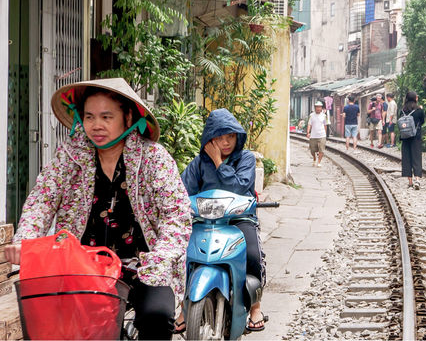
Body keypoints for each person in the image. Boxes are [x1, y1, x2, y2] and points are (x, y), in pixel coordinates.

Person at [5, 78, 191, 340]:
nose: (97, 125)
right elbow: (41, 202)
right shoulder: (69, 158)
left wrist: (160, 259)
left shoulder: (154, 158)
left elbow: (177, 215)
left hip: (145, 268)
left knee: (156, 318)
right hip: (82, 267)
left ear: (128, 118)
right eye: (90, 117)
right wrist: (25, 242)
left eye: (107, 116)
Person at [180, 108, 267, 332]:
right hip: (205, 222)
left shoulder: (245, 158)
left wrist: (219, 162)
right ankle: (183, 306)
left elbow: (239, 186)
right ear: (210, 138)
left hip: (238, 219)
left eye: (230, 136)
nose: (226, 142)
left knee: (252, 255)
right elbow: (180, 191)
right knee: (181, 253)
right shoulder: (199, 163)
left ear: (238, 136)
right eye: (219, 137)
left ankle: (255, 306)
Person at [400, 91, 425, 188]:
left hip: (405, 137)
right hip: (416, 137)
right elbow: (422, 122)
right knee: (416, 158)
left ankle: (410, 181)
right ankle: (417, 180)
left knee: (406, 158)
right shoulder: (419, 110)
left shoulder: (402, 110)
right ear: (415, 98)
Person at [307, 100, 328, 166]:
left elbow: (325, 125)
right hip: (313, 135)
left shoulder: (324, 116)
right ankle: (314, 158)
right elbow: (309, 124)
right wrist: (308, 132)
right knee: (312, 150)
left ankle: (319, 162)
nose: (318, 108)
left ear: (321, 108)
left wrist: (325, 134)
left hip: (322, 135)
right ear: (315, 107)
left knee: (321, 150)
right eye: (317, 107)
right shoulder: (311, 115)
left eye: (320, 107)